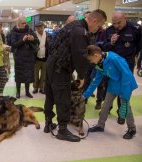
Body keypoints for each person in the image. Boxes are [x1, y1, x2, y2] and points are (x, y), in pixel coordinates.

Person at [43, 9, 107, 142]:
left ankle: (48, 123)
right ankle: (62, 130)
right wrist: (82, 76)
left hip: (51, 63)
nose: (99, 28)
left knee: (50, 95)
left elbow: (53, 43)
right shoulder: (80, 32)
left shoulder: (73, 25)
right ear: (94, 21)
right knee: (63, 98)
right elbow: (80, 55)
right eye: (99, 25)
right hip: (60, 67)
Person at [83, 45, 138, 139]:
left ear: (96, 55)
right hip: (113, 85)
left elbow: (126, 74)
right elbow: (95, 81)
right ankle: (100, 125)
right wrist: (85, 96)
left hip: (125, 84)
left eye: (91, 59)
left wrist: (125, 94)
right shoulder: (99, 63)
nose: (90, 62)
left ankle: (132, 129)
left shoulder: (114, 58)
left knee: (125, 106)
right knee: (105, 105)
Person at [102, 11, 142, 124]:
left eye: (118, 23)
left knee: (124, 90)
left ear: (125, 18)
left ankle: (121, 113)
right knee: (108, 87)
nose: (116, 26)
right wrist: (111, 42)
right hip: (111, 65)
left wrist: (133, 56)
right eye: (114, 23)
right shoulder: (109, 30)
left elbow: (139, 46)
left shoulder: (136, 29)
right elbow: (104, 47)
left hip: (126, 65)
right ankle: (106, 109)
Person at [11, 16, 39, 98]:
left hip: (29, 57)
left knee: (28, 75)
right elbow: (14, 44)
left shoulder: (29, 30)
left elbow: (37, 41)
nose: (24, 24)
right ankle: (18, 92)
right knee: (19, 75)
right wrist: (22, 40)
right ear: (19, 24)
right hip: (19, 57)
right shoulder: (14, 32)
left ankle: (27, 92)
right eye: (22, 23)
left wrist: (33, 38)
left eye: (25, 23)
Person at [33, 21, 52, 94]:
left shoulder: (48, 35)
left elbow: (50, 46)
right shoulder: (33, 35)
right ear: (36, 29)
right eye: (38, 28)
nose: (40, 29)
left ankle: (42, 87)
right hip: (36, 58)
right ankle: (35, 87)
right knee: (35, 74)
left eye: (41, 27)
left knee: (44, 75)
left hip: (45, 58)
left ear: (43, 27)